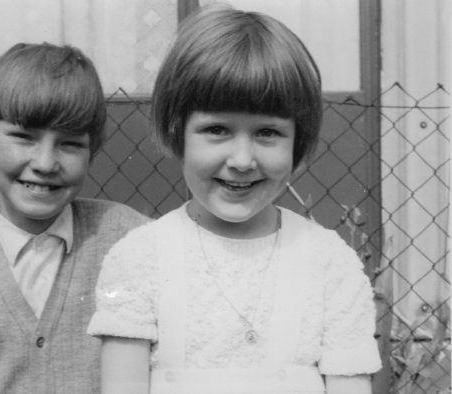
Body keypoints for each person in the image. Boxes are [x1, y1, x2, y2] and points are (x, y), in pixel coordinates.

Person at [87, 5, 381, 394]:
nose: (242, 160)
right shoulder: (138, 261)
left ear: (298, 140)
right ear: (178, 131)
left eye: (267, 133)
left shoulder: (330, 265)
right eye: (217, 129)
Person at [0, 42, 149, 393]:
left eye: (70, 144)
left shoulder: (131, 240)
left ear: (92, 149)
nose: (46, 163)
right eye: (24, 137)